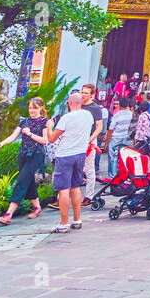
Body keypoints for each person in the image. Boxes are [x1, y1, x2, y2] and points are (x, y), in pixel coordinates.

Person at [0, 96, 52, 224]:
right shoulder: (24, 122)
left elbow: (45, 141)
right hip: (23, 154)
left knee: (21, 181)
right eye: (30, 108)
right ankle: (37, 207)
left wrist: (30, 134)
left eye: (34, 108)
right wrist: (2, 143)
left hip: (36, 154)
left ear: (41, 108)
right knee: (28, 179)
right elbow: (13, 136)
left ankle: (8, 214)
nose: (31, 111)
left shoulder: (44, 121)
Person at [47, 91, 95, 233]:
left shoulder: (66, 118)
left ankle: (64, 223)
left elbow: (51, 139)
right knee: (75, 187)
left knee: (63, 189)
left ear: (69, 103)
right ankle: (77, 219)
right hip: (80, 154)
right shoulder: (88, 116)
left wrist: (50, 126)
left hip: (65, 155)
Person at [79, 84, 105, 204]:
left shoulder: (95, 108)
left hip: (89, 140)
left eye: (86, 93)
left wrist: (90, 139)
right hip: (77, 139)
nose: (83, 95)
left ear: (91, 94)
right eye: (82, 92)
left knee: (89, 169)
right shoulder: (78, 105)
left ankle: (88, 196)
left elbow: (99, 127)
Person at [105, 96, 134, 170]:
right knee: (121, 157)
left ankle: (112, 175)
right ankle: (119, 175)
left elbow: (111, 129)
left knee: (113, 157)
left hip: (115, 138)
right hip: (124, 137)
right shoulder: (130, 114)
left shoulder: (117, 115)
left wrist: (107, 142)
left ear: (120, 105)